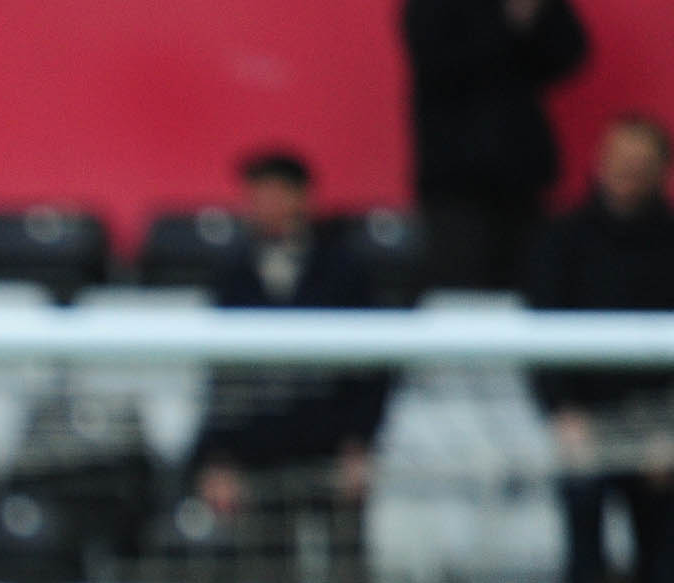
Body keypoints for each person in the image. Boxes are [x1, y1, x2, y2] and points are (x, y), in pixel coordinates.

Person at [191, 151, 389, 533]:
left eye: (276, 192)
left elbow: (372, 367)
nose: (264, 204)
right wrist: (219, 457)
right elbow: (223, 375)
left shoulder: (344, 271)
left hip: (328, 450)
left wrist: (359, 444)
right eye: (256, 194)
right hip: (257, 451)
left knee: (343, 572)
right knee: (264, 575)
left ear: (301, 197)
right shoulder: (232, 275)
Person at [528, 116, 674, 583]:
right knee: (583, 556)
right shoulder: (562, 238)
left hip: (659, 430)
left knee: (663, 558)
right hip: (584, 423)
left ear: (661, 172)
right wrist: (563, 412)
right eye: (617, 164)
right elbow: (539, 337)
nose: (625, 176)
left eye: (639, 167)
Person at [403, 0, 590, 291]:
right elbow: (438, 60)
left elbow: (569, 54)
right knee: (459, 295)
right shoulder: (432, 8)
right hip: (454, 180)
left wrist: (533, 18)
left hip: (522, 176)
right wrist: (506, 22)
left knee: (529, 292)